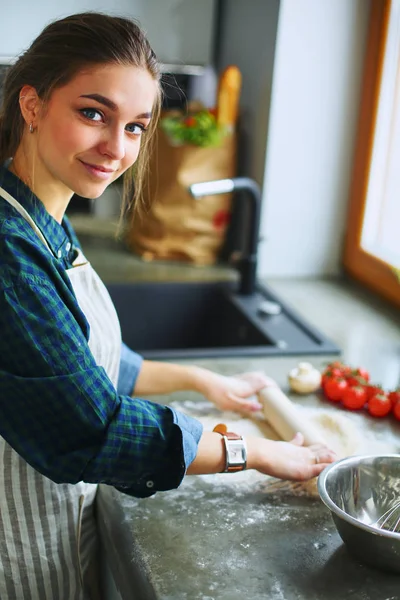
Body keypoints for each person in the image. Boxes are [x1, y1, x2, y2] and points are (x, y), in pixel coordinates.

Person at [0, 12, 336, 600]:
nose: (116, 147)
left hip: (49, 519)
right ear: (33, 105)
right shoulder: (9, 250)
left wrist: (201, 380)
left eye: (136, 127)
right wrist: (251, 451)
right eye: (93, 113)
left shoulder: (41, 217)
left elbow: (84, 365)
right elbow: (92, 426)